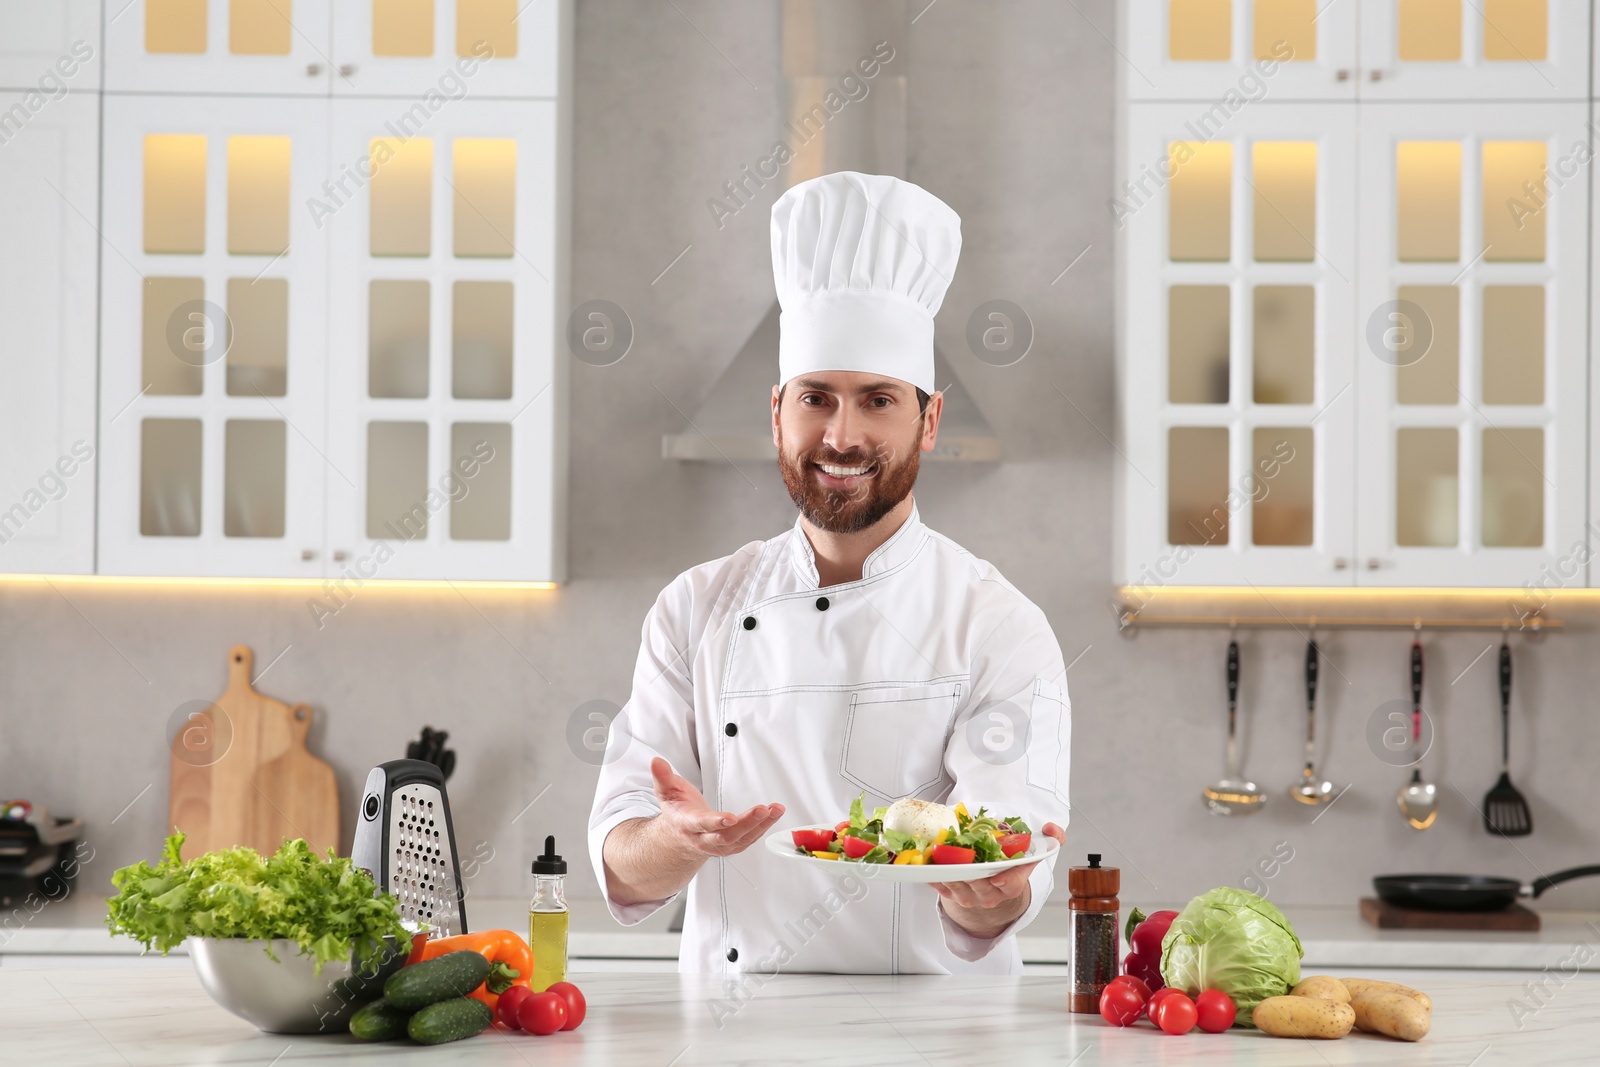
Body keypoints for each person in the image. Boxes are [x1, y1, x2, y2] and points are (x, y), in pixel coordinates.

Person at [587, 171, 1071, 974]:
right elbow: (621, 860)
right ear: (776, 410)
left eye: (878, 399)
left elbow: (1009, 865)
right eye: (817, 397)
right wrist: (673, 842)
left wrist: (992, 896)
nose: (842, 435)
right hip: (727, 1035)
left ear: (930, 418)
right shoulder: (693, 608)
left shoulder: (997, 622)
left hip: (936, 1039)